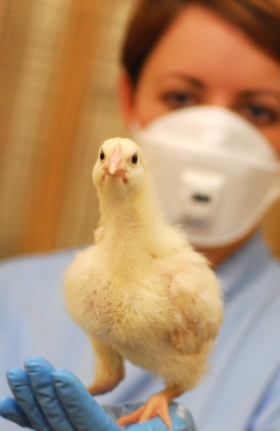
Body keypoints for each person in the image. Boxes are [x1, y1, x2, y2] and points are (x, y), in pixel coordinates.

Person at [1, 0, 280, 430]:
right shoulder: (13, 297)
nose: (214, 137)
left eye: (259, 110)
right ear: (129, 98)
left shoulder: (191, 289)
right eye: (181, 97)